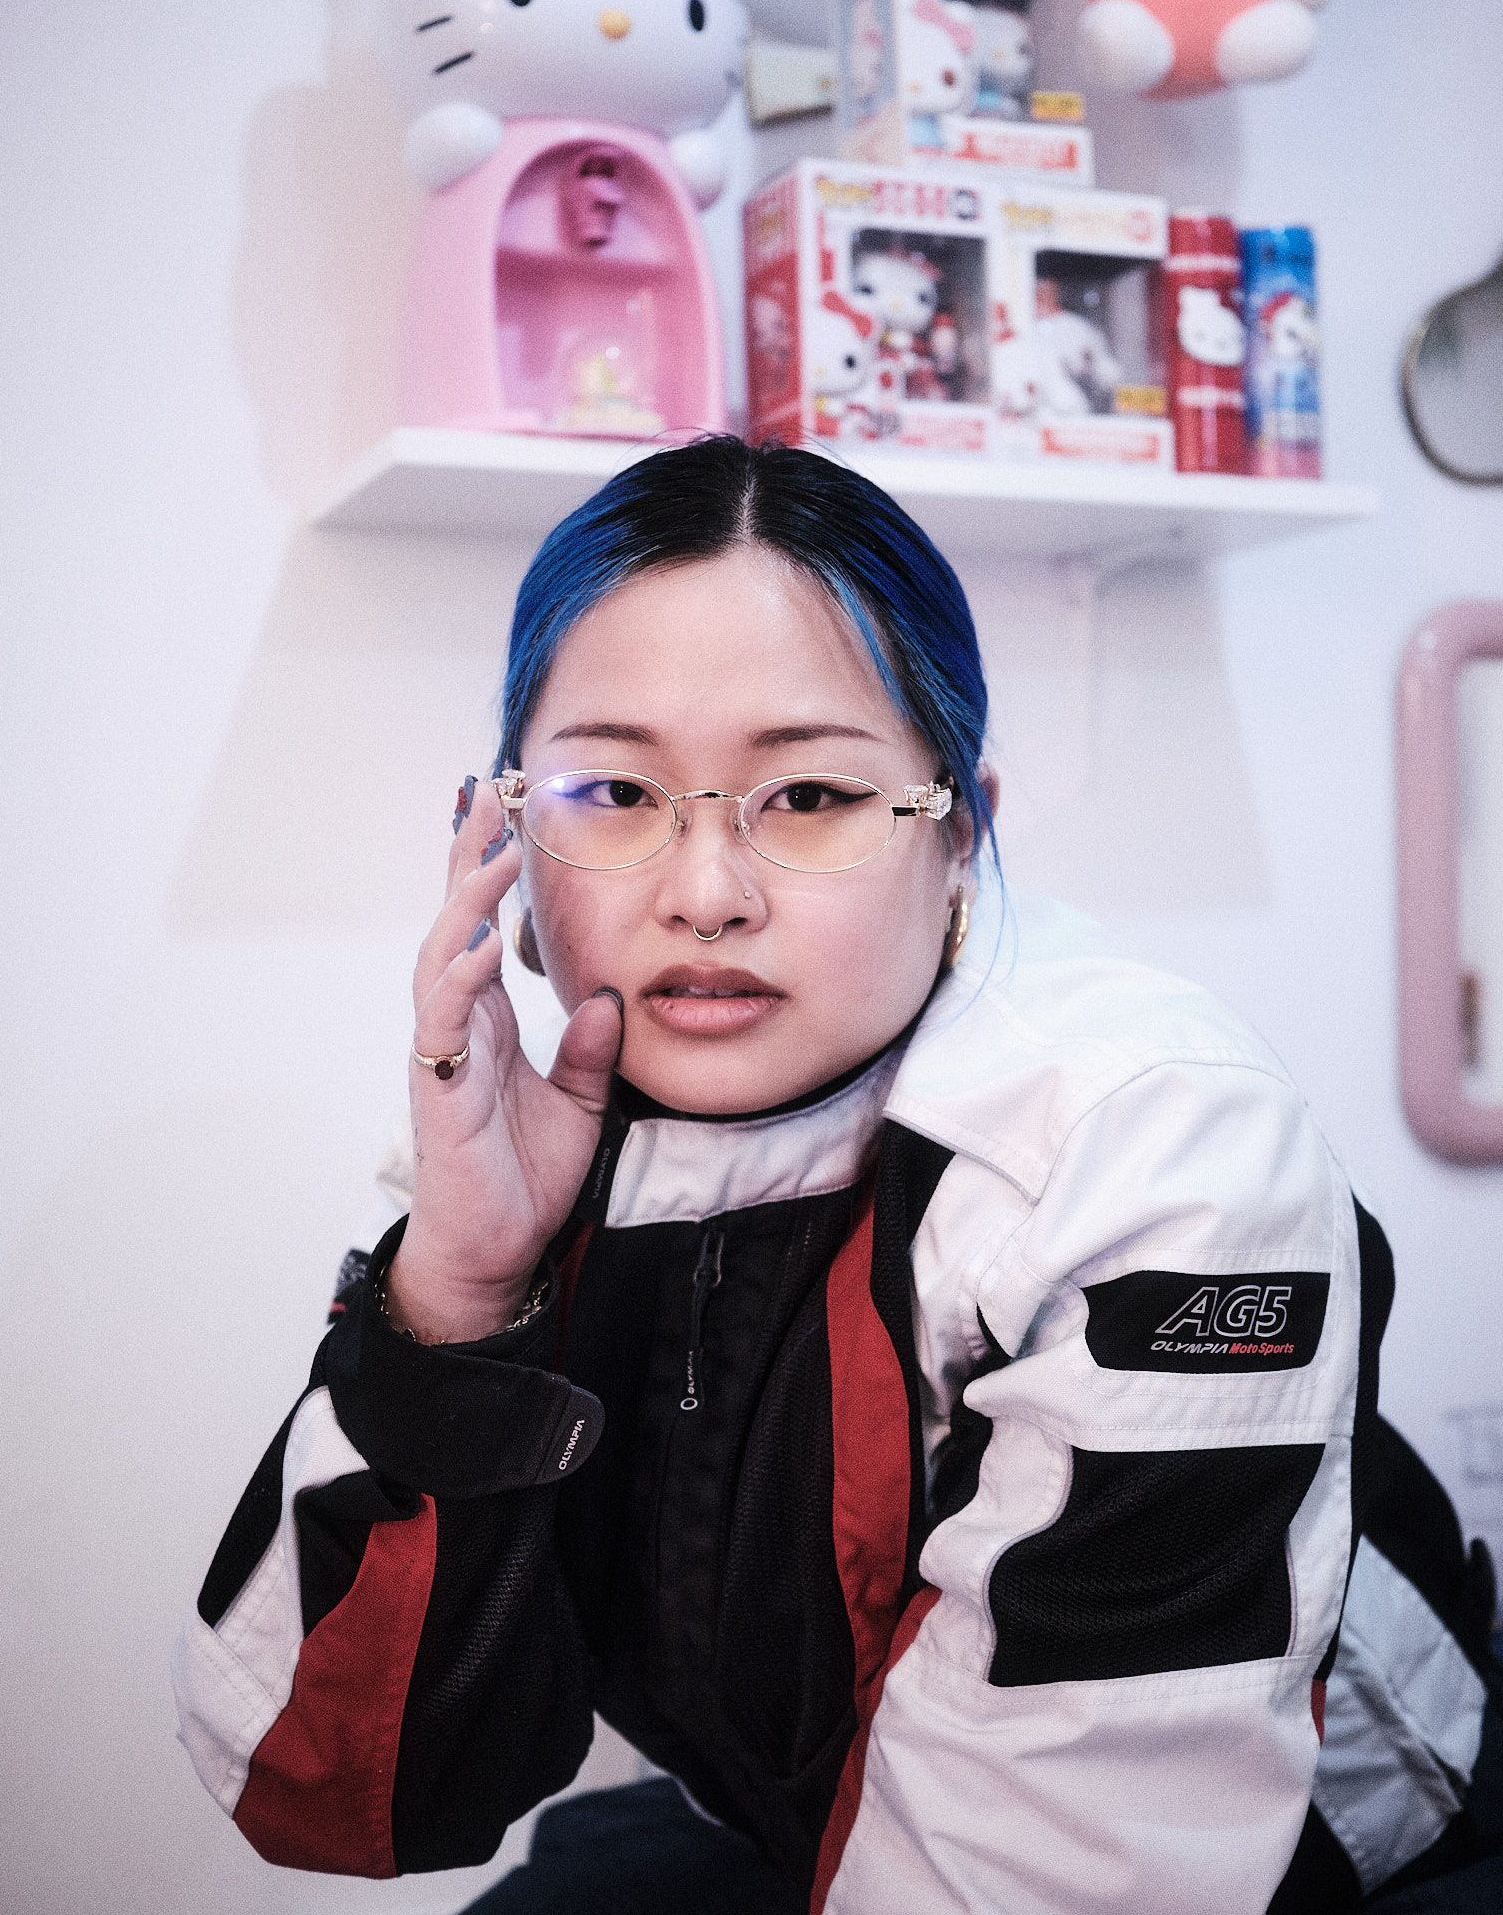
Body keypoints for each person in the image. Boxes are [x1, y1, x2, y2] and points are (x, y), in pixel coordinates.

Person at [174, 437, 1494, 1912]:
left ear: (962, 835)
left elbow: (1056, 1876)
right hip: (802, 1824)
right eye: (614, 790)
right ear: (507, 839)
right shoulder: (517, 1137)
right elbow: (320, 1789)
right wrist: (459, 1304)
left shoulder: (1161, 1150)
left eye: (808, 795)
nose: (706, 894)